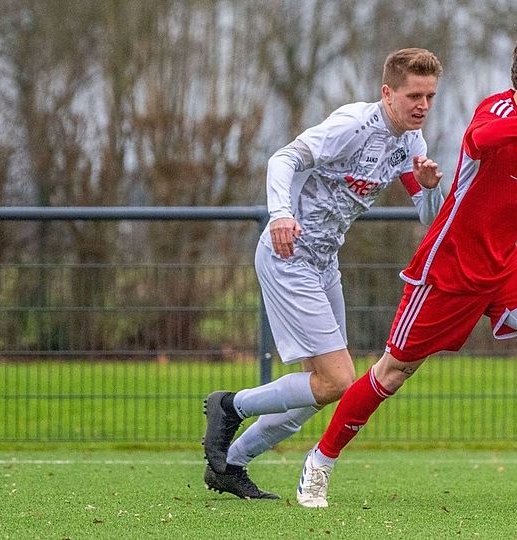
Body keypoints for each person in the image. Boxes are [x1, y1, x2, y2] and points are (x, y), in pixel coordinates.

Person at [294, 29, 517, 509]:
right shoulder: (498, 110)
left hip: (503, 266)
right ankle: (320, 461)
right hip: (450, 269)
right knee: (391, 373)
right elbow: (479, 139)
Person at [202, 48, 445, 500]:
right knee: (337, 380)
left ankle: (231, 464)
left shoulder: (412, 144)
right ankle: (230, 405)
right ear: (387, 92)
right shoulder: (353, 124)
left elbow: (430, 219)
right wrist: (280, 214)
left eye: (430, 97)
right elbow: (283, 159)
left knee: (319, 388)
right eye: (414, 96)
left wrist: (431, 189)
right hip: (288, 254)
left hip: (324, 262)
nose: (423, 106)